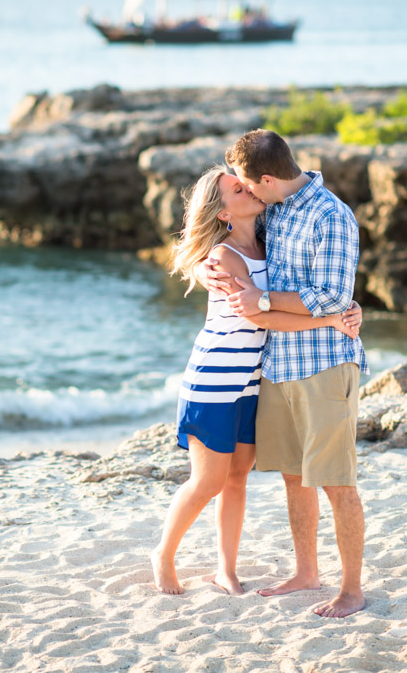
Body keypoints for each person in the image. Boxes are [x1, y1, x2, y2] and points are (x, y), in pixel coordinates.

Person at [151, 165, 362, 596]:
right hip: (214, 379)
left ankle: (225, 569)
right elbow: (258, 313)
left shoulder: (269, 238)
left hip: (254, 379)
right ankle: (163, 554)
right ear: (224, 212)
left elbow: (313, 287)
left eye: (244, 182)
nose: (247, 188)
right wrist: (331, 320)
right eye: (236, 188)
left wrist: (346, 305)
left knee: (237, 478)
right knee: (207, 481)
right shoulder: (224, 256)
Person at [197, 130, 369, 618]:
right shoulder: (272, 210)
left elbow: (333, 295)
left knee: (337, 483)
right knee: (295, 478)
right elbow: (222, 242)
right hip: (276, 365)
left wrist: (267, 301)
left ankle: (352, 589)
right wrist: (206, 270)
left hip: (325, 366)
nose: (246, 192)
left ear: (268, 179)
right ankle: (307, 571)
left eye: (249, 184)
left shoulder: (331, 216)